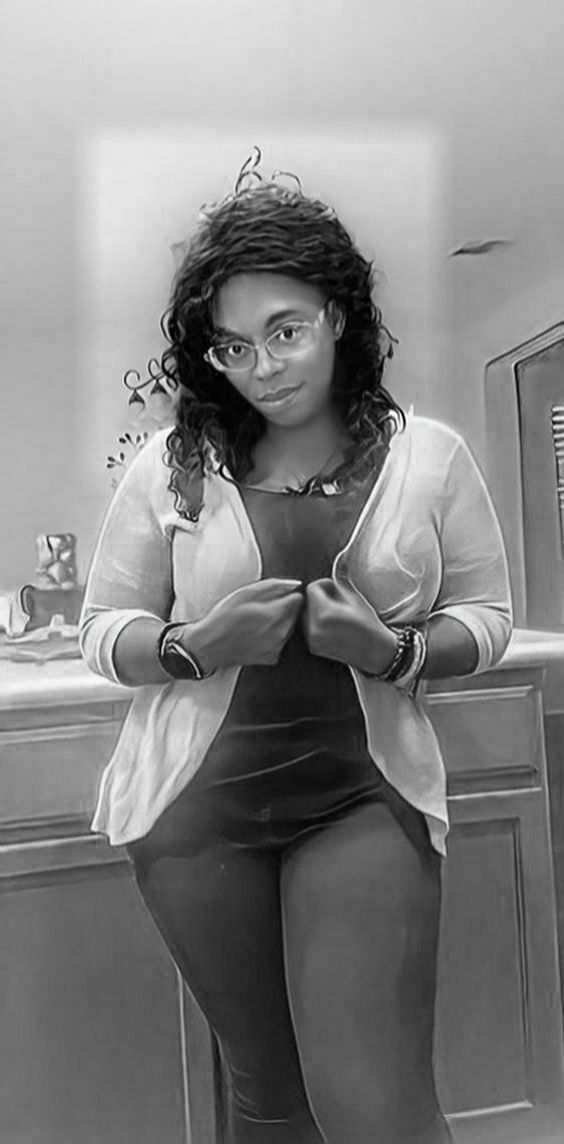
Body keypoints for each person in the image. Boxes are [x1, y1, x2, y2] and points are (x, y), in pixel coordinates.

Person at [79, 149, 513, 1144]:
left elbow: (487, 614)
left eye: (285, 331)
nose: (264, 368)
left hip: (361, 796)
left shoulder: (430, 458)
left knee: (376, 1108)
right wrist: (194, 645)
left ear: (338, 316)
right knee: (267, 1099)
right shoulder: (173, 466)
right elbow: (105, 628)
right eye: (234, 347)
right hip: (194, 816)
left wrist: (395, 651)